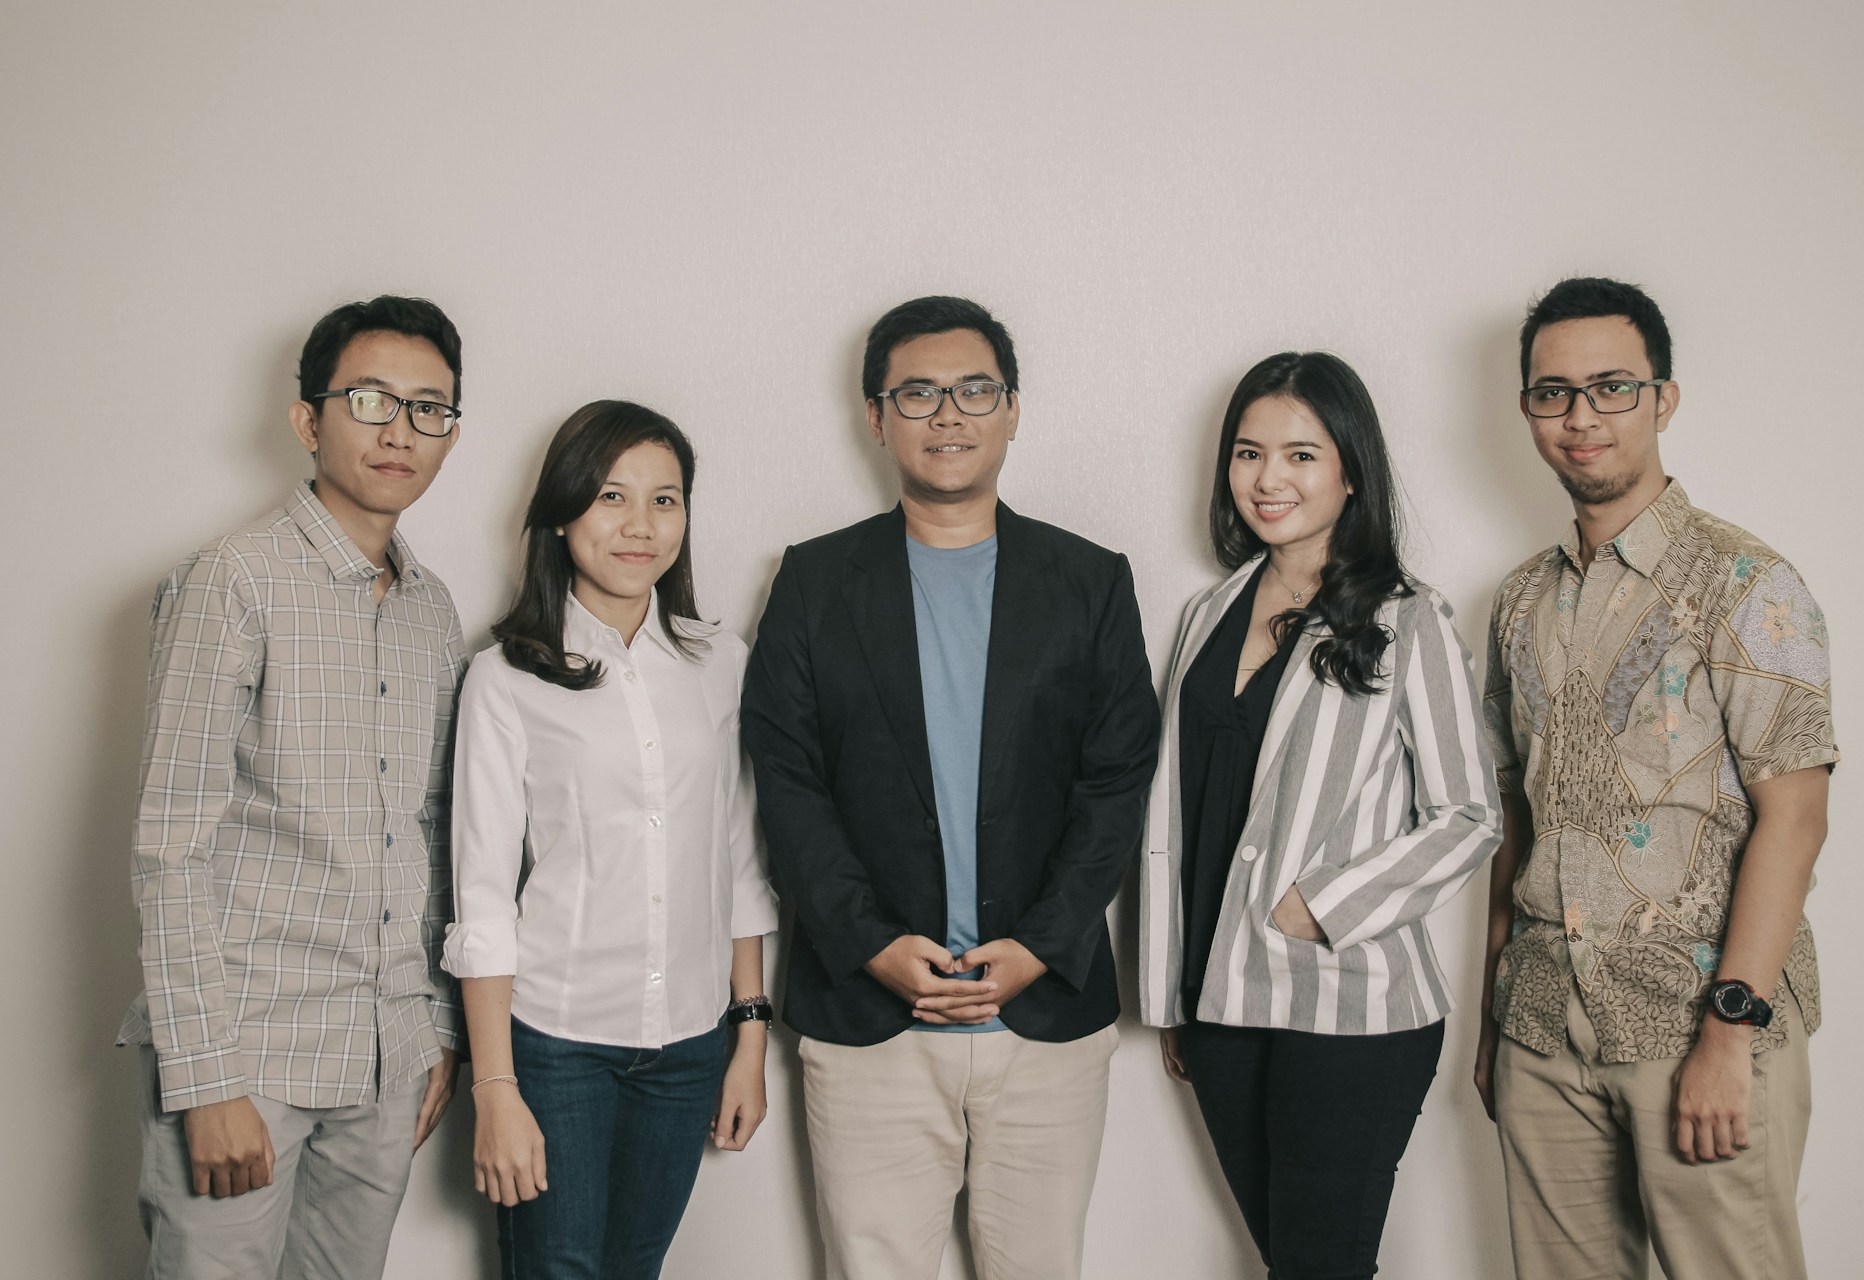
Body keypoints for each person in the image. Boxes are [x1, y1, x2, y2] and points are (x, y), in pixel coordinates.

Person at [741, 295, 1159, 1280]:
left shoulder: (1091, 580)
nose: (948, 415)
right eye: (918, 393)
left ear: (1012, 409)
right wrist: (871, 944)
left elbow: (1117, 779)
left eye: (975, 390)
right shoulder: (812, 581)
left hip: (1045, 1015)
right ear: (876, 416)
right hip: (869, 1015)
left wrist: (1043, 942)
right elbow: (787, 784)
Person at [1474, 277, 1838, 1280]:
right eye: (1553, 392)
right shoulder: (1517, 601)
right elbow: (1513, 818)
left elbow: (1795, 819)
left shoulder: (1747, 583)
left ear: (1663, 399)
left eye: (1612, 387)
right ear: (1527, 410)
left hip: (1699, 1023)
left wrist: (1730, 1028)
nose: (1581, 416)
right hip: (1544, 1023)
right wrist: (1496, 1015)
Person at [118, 295, 469, 1278]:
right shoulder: (231, 580)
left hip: (384, 1057)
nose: (400, 430)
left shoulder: (434, 610)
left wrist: (434, 1029)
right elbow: (170, 844)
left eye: (429, 408)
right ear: (309, 420)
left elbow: (435, 829)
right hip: (247, 1054)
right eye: (371, 400)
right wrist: (204, 1080)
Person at [1139, 351, 1502, 1278]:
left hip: (1351, 1004)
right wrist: (1176, 986)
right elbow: (1182, 808)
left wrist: (1324, 905)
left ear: (1350, 471)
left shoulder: (1409, 619)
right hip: (1218, 1002)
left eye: (1301, 455)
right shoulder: (1207, 613)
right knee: (1296, 1264)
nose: (1269, 479)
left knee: (1320, 1267)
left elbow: (1469, 814)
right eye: (1248, 452)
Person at [444, 400, 778, 1280]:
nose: (641, 526)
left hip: (692, 1040)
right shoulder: (504, 678)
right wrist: (496, 1086)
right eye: (611, 497)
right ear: (562, 514)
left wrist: (749, 1037)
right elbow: (482, 896)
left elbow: (738, 858)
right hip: (556, 1043)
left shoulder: (722, 662)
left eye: (665, 500)